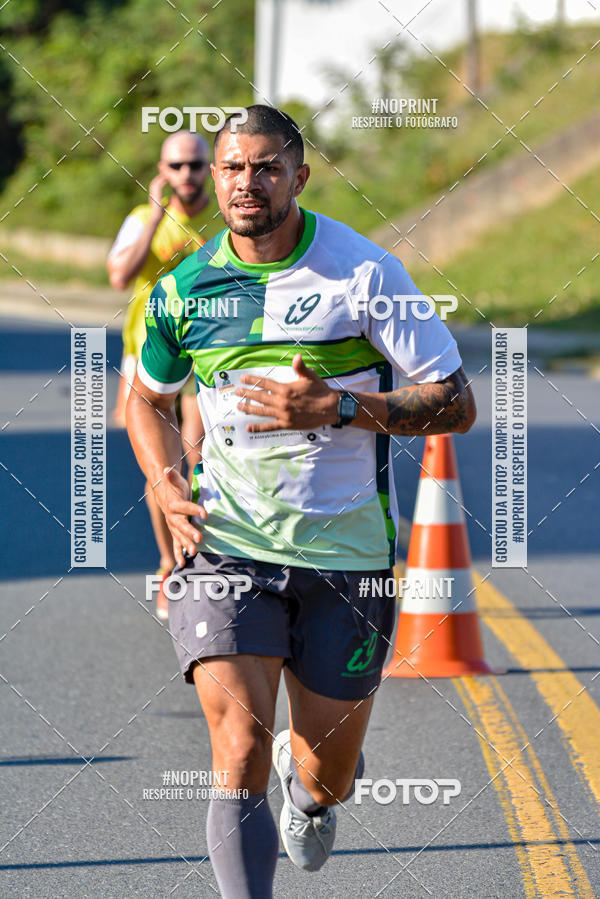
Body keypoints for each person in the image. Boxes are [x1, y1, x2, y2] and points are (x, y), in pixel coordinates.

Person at [126, 105, 476, 897]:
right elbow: (144, 400)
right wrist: (164, 479)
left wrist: (345, 409)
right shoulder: (184, 288)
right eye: (231, 168)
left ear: (299, 177)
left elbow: (456, 402)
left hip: (345, 556)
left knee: (330, 774)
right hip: (227, 543)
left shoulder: (364, 273)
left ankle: (312, 789)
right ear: (213, 177)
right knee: (238, 744)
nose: (246, 184)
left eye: (266, 167)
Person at [107, 130, 220, 618]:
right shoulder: (141, 220)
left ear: (209, 168)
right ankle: (170, 561)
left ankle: (201, 557)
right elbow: (119, 276)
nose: (187, 175)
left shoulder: (227, 217)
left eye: (196, 165)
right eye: (177, 166)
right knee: (162, 466)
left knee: (195, 455)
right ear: (162, 170)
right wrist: (155, 215)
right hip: (151, 355)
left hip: (208, 353)